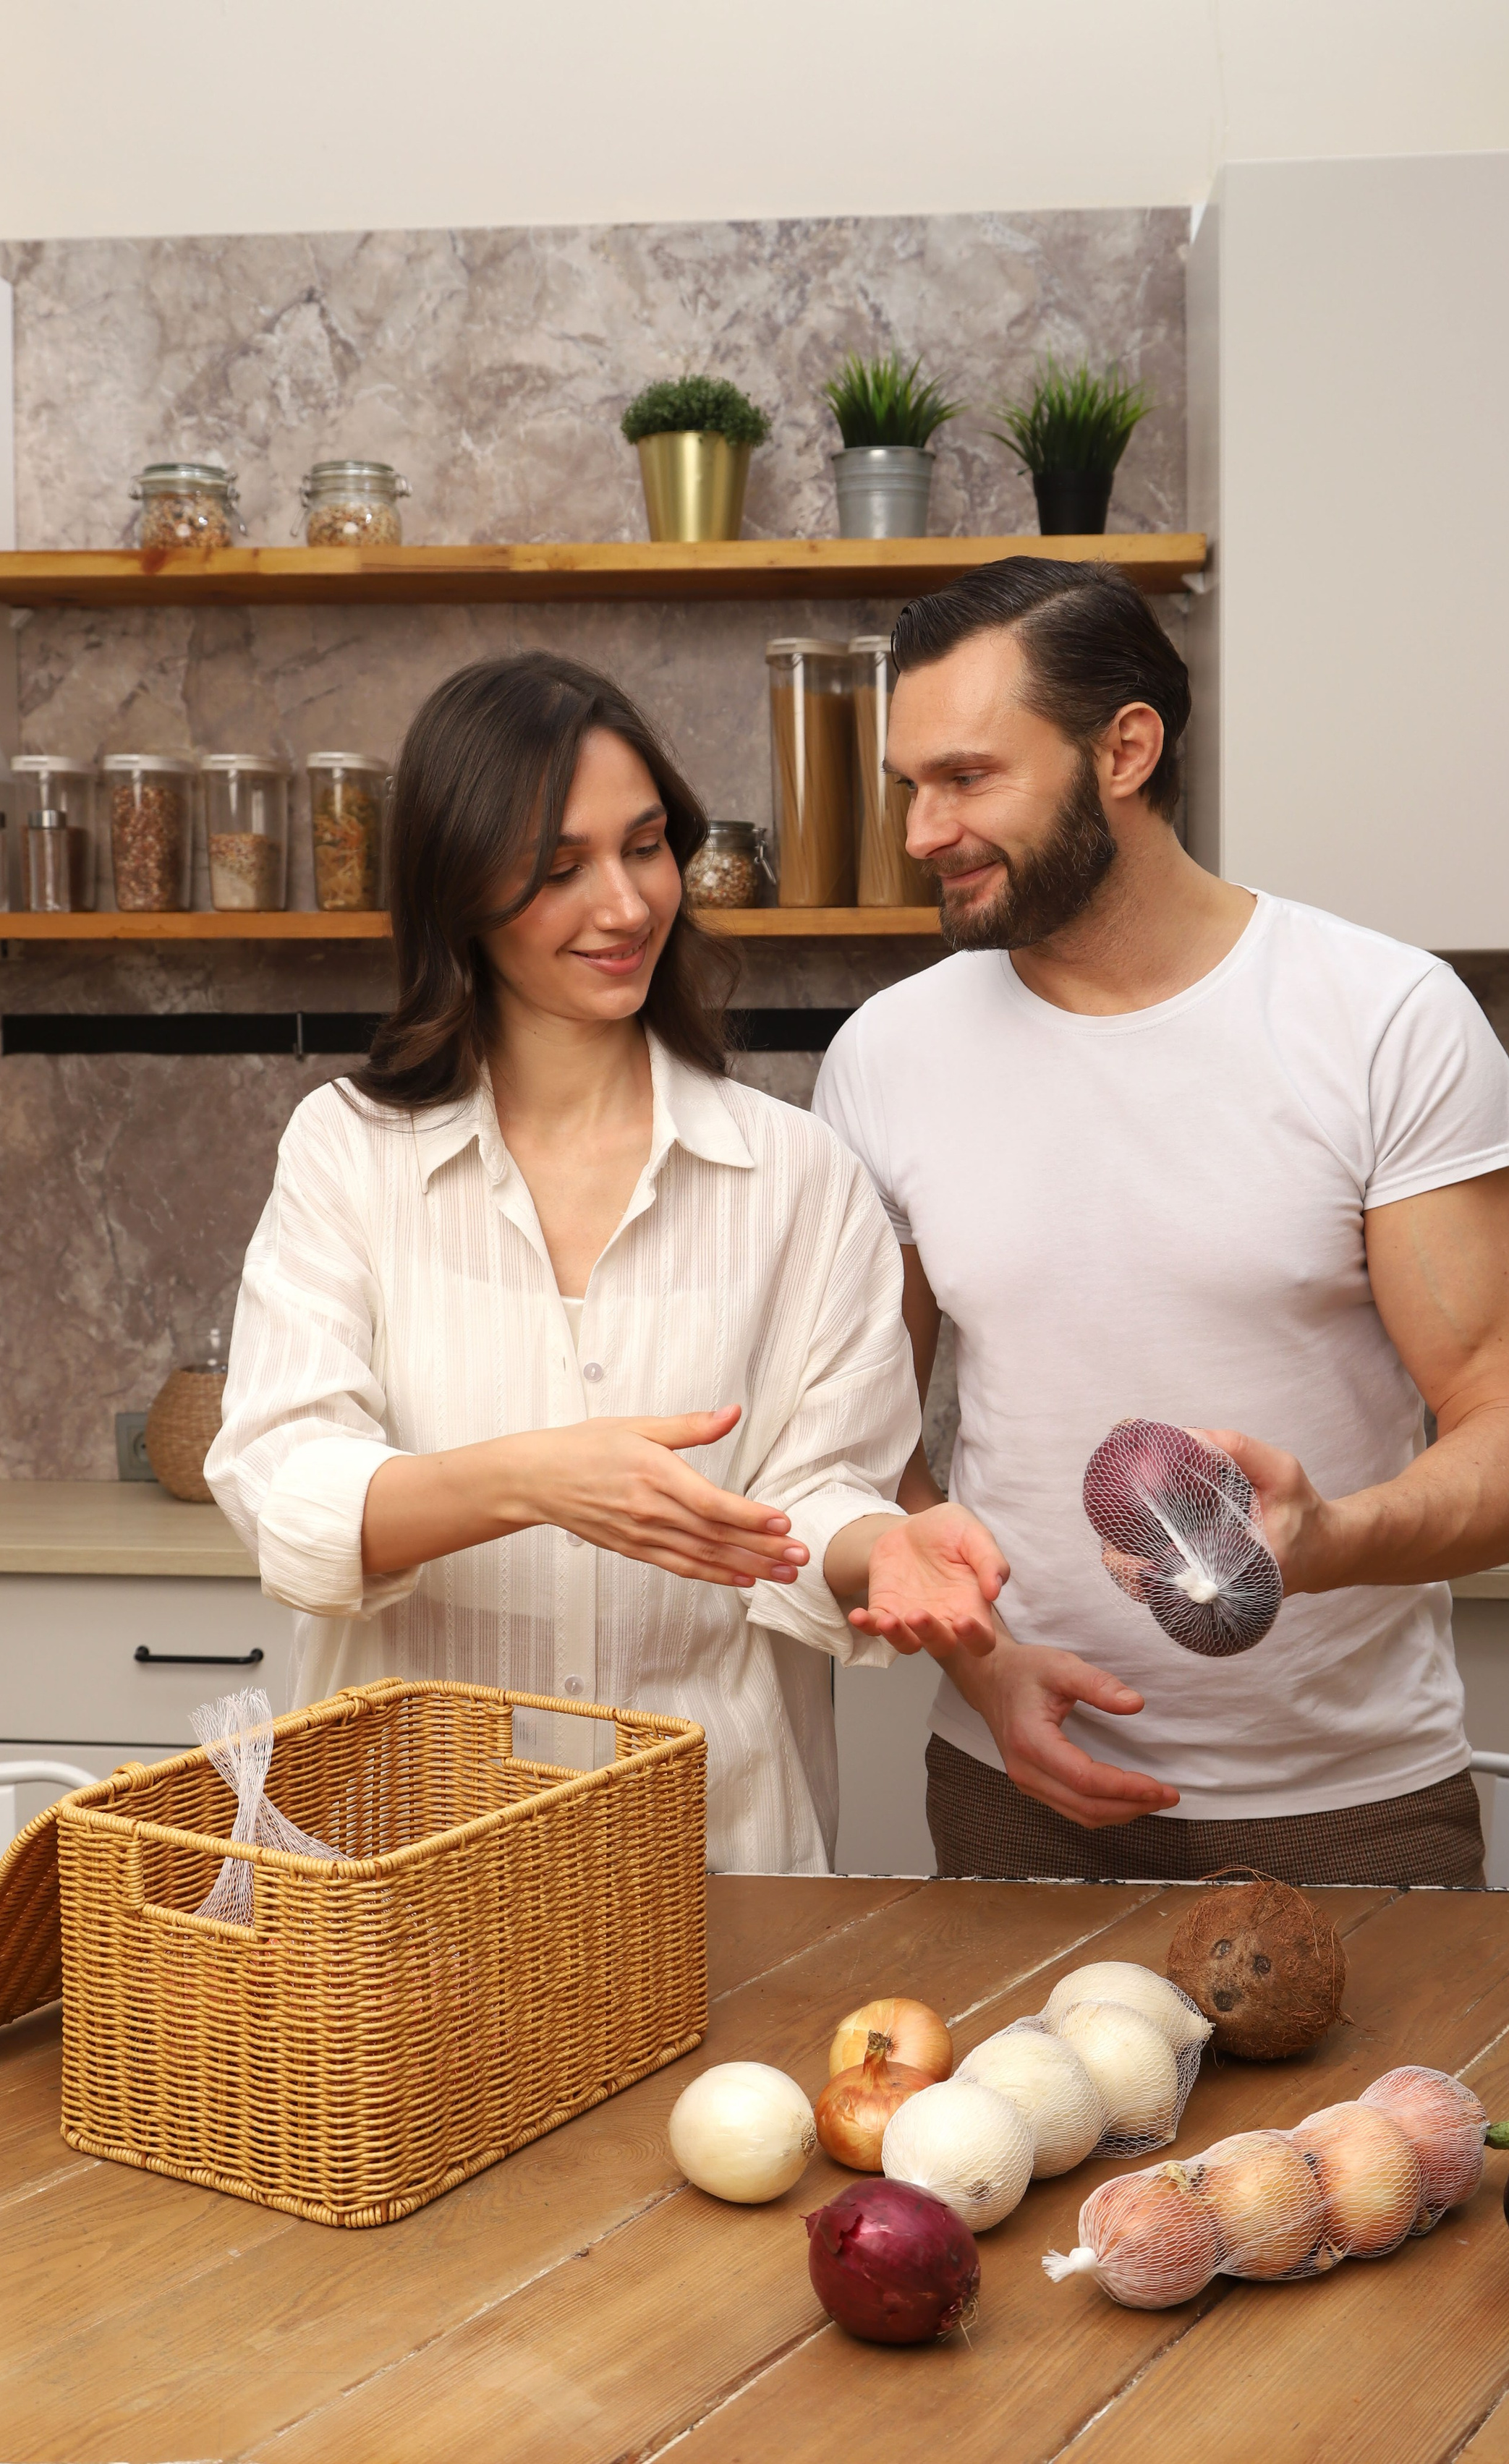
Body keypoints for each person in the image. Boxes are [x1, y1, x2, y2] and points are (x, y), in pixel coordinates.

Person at [813, 558, 1509, 1888]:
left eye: (968, 778)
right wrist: (989, 1672)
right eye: (908, 787)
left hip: (1351, 1805)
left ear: (1126, 749)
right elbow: (861, 1440)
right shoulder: (889, 1054)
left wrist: (1325, 1542)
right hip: (1016, 1787)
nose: (924, 831)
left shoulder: (1382, 1019)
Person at [206, 650, 1006, 1875]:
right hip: (409, 1874)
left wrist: (879, 1549)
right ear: (458, 890)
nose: (627, 906)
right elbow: (284, 1485)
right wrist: (534, 1479)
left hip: (713, 1864)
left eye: (645, 848)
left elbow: (822, 1492)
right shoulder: (349, 1152)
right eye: (559, 869)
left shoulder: (797, 1174)